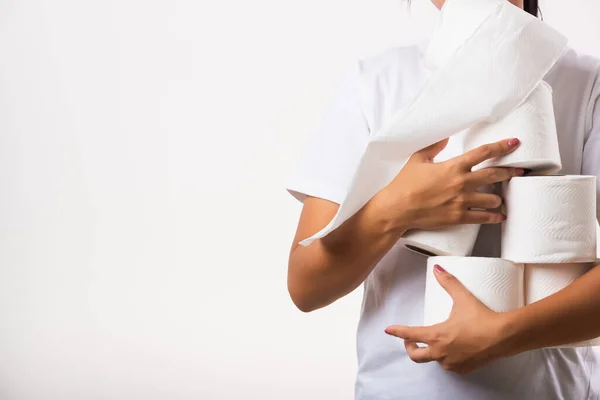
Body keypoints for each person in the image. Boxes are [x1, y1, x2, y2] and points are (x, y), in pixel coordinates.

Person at [286, 0, 600, 399]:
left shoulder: (588, 85)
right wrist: (397, 208)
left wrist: (506, 335)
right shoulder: (376, 83)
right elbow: (306, 286)